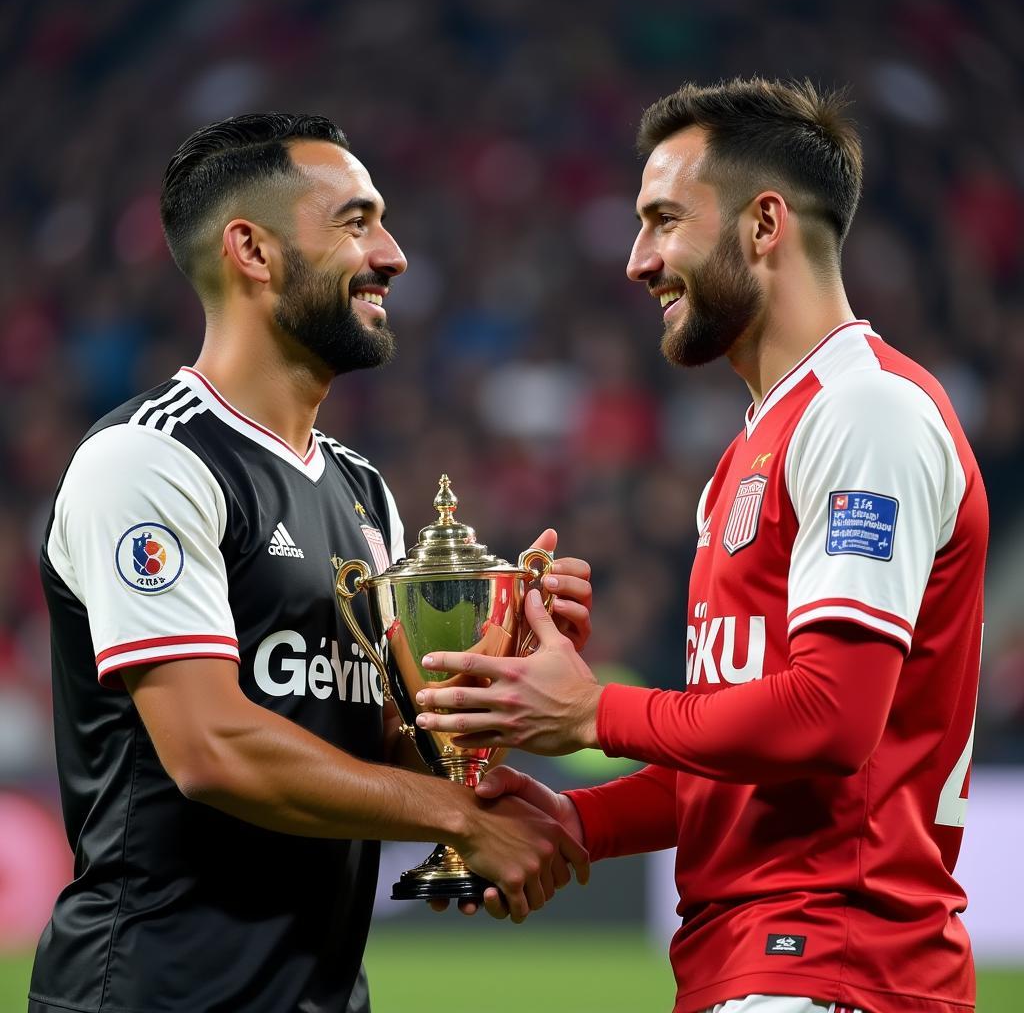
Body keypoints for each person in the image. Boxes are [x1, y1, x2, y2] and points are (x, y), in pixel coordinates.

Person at [415, 79, 987, 1013]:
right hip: (759, 961)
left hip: (834, 957)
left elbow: (831, 720)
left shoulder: (866, 412)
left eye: (664, 220)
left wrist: (595, 713)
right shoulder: (748, 455)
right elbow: (730, 771)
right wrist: (570, 821)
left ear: (766, 224)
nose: (639, 261)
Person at [29, 113, 592, 1013]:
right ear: (251, 250)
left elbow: (374, 736)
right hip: (152, 992)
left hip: (324, 994)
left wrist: (493, 705)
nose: (395, 254)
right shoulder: (148, 461)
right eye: (356, 222)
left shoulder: (364, 491)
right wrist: (456, 819)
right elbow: (213, 747)